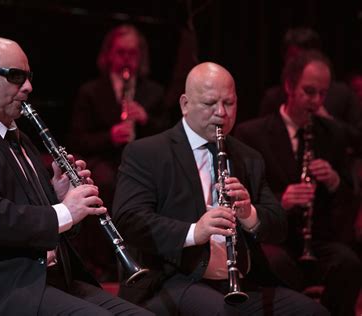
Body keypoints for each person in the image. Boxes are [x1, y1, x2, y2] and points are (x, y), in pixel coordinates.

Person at [0, 36, 152, 316]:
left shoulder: (20, 138)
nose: (28, 87)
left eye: (28, 77)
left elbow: (45, 222)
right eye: (16, 77)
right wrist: (65, 210)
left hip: (42, 279)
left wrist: (59, 196)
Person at [111, 61, 329, 315]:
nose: (221, 113)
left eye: (229, 103)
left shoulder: (248, 157)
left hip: (239, 283)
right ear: (185, 104)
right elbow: (129, 220)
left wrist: (249, 214)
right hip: (173, 279)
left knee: (312, 312)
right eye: (209, 104)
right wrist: (195, 231)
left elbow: (278, 226)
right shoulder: (147, 153)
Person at [234, 50, 361, 316]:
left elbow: (350, 198)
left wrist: (336, 181)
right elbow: (241, 198)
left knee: (348, 262)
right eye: (309, 91)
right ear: (289, 86)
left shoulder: (332, 133)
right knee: (275, 263)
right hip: (273, 239)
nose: (316, 102)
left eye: (323, 94)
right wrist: (283, 199)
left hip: (316, 240)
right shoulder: (252, 134)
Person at [67, 24, 165, 281]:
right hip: (105, 160)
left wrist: (146, 119)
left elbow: (169, 134)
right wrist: (110, 136)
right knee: (106, 184)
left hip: (142, 163)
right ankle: (106, 262)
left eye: (132, 53)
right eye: (121, 52)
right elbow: (77, 138)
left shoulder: (153, 92)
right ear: (109, 54)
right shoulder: (90, 91)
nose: (126, 59)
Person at [258, 27, 362, 156]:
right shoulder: (273, 97)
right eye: (293, 57)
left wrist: (329, 121)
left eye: (322, 93)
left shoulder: (342, 94)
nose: (317, 100)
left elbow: (357, 140)